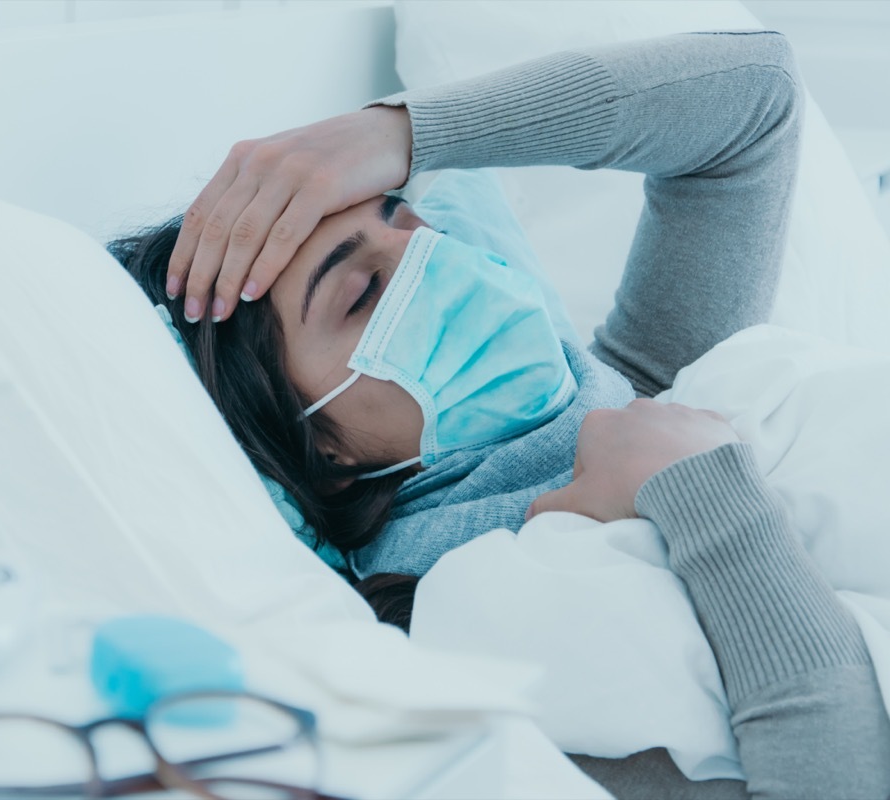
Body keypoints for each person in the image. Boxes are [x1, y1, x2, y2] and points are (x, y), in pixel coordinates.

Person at [110, 30, 890, 799]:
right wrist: (702, 494)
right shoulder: (477, 637)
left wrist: (401, 133)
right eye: (362, 294)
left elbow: (755, 98)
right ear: (316, 451)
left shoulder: (647, 383)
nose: (433, 260)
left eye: (409, 223)